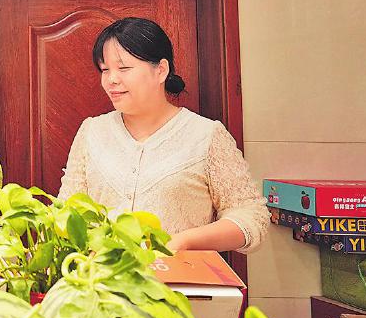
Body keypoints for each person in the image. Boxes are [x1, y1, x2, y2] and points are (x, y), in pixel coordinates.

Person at [58, 17, 269, 253]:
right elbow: (68, 209)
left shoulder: (206, 135)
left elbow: (253, 216)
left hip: (179, 275)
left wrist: (185, 241)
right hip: (100, 275)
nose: (111, 80)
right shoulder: (92, 131)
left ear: (161, 70)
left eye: (124, 68)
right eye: (105, 70)